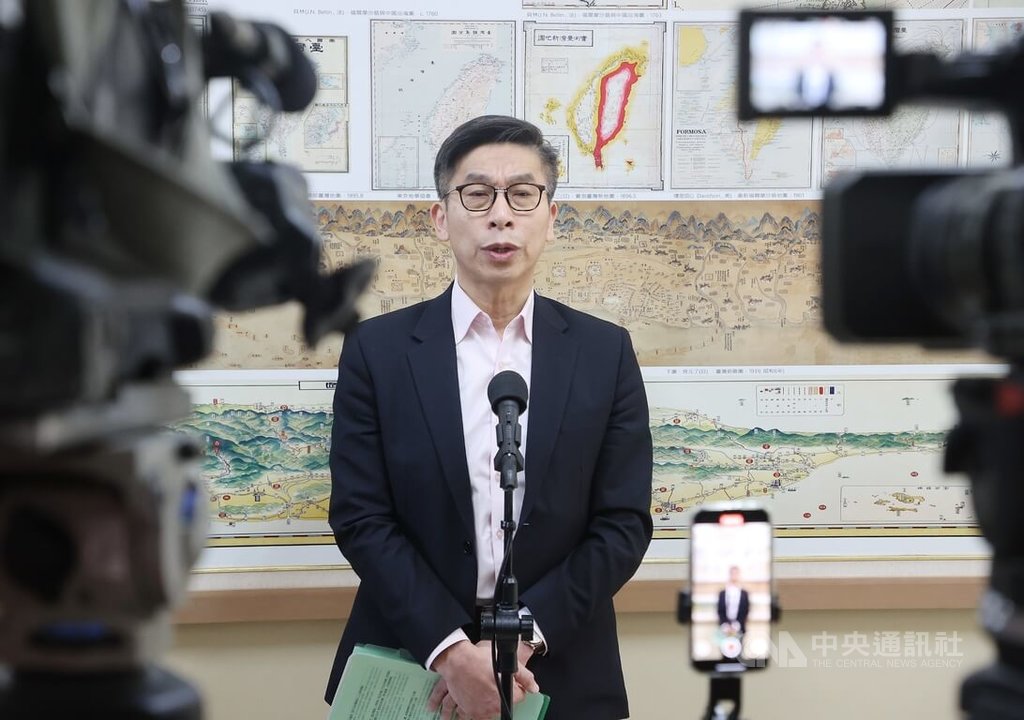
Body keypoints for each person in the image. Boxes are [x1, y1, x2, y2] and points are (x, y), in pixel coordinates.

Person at [324, 115, 653, 720]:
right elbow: (360, 516)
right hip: (413, 661)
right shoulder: (379, 351)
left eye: (522, 194)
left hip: (559, 666)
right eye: (476, 195)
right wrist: (451, 652)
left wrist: (520, 641)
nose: (501, 215)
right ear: (440, 217)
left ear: (551, 217)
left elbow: (623, 523)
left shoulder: (604, 352)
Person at [717, 566, 750, 636]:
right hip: (724, 629)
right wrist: (725, 625)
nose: (734, 576)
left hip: (740, 628)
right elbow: (720, 610)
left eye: (736, 573)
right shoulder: (722, 593)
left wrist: (736, 626)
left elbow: (746, 611)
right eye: (732, 573)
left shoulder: (744, 594)